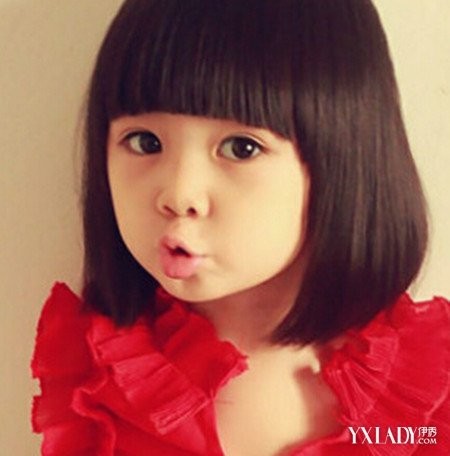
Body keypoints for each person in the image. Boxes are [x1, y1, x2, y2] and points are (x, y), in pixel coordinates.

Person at [31, 0, 450, 454]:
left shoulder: (422, 392)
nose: (179, 194)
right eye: (145, 142)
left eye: (241, 148)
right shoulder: (99, 373)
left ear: (345, 157)